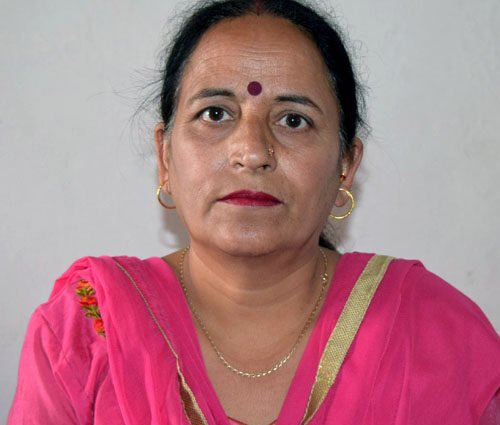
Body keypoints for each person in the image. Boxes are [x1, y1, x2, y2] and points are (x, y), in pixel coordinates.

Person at [8, 0, 500, 424]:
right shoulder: (84, 335)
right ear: (164, 156)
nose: (251, 152)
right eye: (215, 113)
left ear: (346, 167)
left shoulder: (439, 335)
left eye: (293, 120)